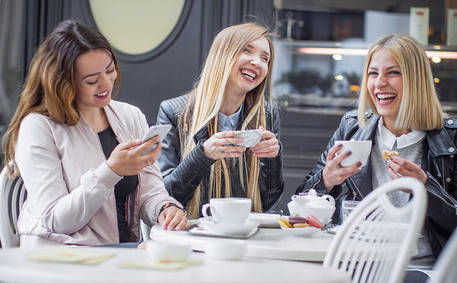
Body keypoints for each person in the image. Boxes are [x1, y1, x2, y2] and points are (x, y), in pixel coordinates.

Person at [1, 19, 190, 251]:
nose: (106, 84)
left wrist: (164, 209)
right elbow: (56, 220)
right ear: (62, 83)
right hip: (58, 254)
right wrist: (111, 171)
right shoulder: (38, 126)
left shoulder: (130, 116)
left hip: (121, 251)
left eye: (110, 70)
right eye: (91, 80)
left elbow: (150, 191)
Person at [296, 33, 457, 283]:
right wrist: (326, 180)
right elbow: (303, 205)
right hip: (356, 263)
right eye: (373, 73)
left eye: (393, 73)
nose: (380, 83)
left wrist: (426, 188)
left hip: (422, 269)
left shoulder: (450, 139)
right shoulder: (351, 129)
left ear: (416, 80)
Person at [156, 23, 284, 218]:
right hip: (192, 235)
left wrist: (272, 158)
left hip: (244, 236)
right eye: (246, 50)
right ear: (222, 56)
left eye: (264, 58)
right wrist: (203, 155)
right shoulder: (174, 111)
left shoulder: (266, 114)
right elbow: (166, 196)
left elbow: (268, 202)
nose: (257, 62)